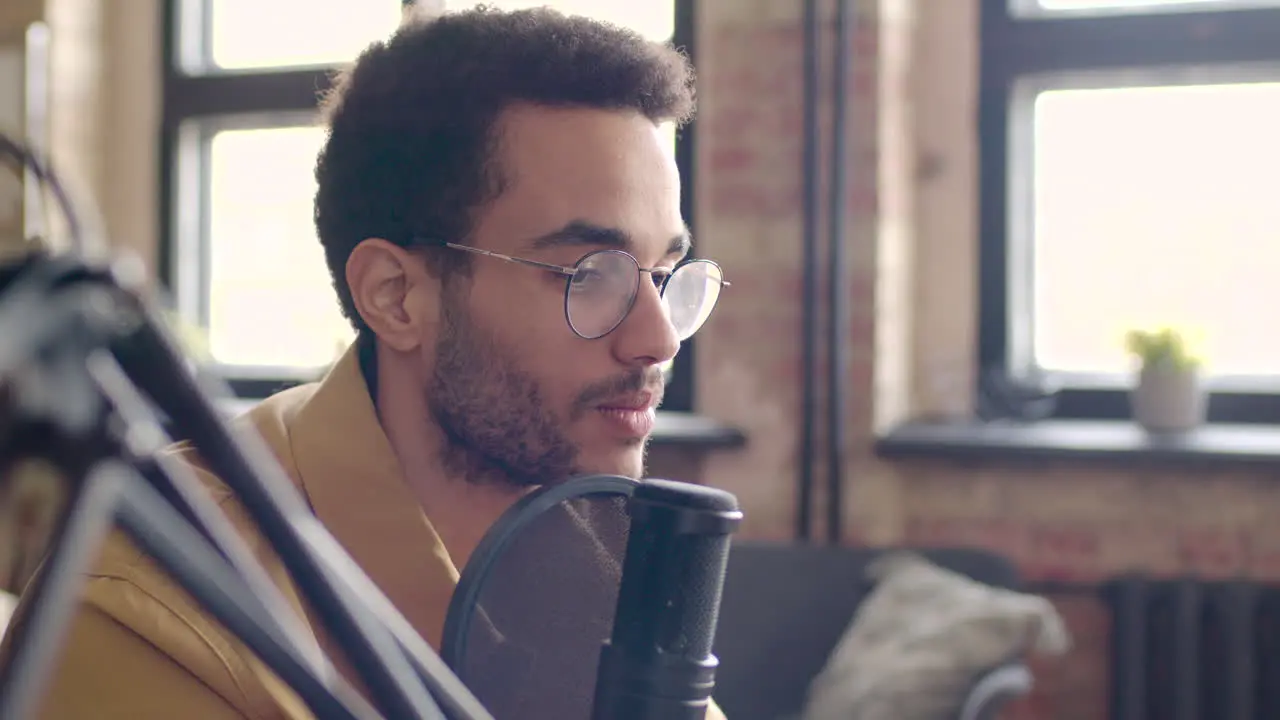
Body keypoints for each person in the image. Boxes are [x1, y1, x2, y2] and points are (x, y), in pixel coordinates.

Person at [0, 5, 730, 719]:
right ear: (396, 296)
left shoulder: (591, 552)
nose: (658, 339)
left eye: (665, 273)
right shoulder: (157, 614)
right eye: (589, 276)